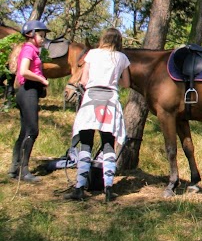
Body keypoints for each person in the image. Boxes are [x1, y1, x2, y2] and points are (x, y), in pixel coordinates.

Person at [64, 27, 130, 202]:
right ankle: (108, 188)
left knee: (86, 144)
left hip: (91, 100)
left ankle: (79, 188)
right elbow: (126, 83)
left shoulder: (92, 54)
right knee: (108, 144)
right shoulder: (122, 58)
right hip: (110, 102)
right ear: (118, 41)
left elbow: (84, 80)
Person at [9, 19, 52, 183]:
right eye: (40, 35)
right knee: (33, 130)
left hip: (25, 91)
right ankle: (24, 170)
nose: (43, 39)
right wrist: (42, 79)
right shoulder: (29, 49)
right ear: (31, 35)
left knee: (24, 130)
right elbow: (24, 71)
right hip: (28, 90)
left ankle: (15, 167)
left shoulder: (31, 49)